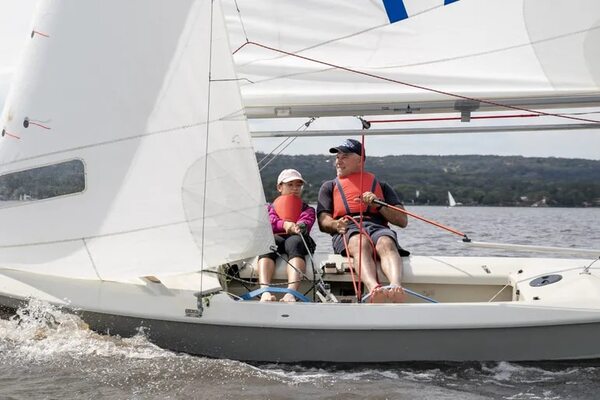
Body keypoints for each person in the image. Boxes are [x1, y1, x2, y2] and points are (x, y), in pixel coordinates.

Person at [317, 139, 409, 303]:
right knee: (360, 242)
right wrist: (335, 224)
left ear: (360, 160)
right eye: (337, 157)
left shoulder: (381, 186)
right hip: (348, 228)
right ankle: (374, 287)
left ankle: (396, 285)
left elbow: (402, 220)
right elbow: (323, 221)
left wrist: (379, 205)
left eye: (345, 156)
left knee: (386, 242)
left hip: (377, 227)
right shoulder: (329, 186)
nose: (338, 160)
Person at [258, 169, 316, 302]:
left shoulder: (308, 209)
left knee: (295, 243)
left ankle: (291, 293)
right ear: (280, 187)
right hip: (277, 237)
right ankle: (265, 291)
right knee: (269, 244)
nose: (295, 188)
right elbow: (270, 221)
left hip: (296, 238)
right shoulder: (270, 208)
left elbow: (307, 220)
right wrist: (284, 225)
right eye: (290, 185)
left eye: (298, 185)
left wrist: (300, 225)